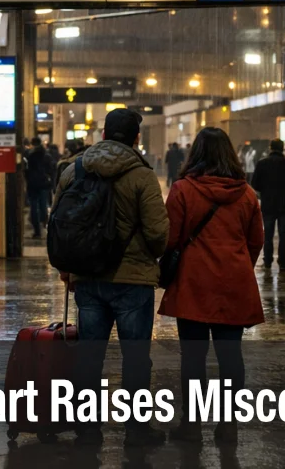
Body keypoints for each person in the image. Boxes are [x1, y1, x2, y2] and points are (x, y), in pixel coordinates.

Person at [56, 108, 169, 447]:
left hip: (88, 277)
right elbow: (158, 233)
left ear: (103, 134)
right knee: (136, 356)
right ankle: (137, 429)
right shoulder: (141, 175)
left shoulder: (74, 170)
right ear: (136, 137)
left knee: (90, 355)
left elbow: (60, 222)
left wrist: (69, 266)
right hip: (132, 281)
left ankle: (87, 428)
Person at [159, 128, 263, 447]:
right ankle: (228, 424)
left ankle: (191, 424)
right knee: (231, 355)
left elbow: (170, 238)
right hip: (233, 282)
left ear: (196, 154)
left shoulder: (183, 190)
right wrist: (237, 261)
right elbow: (256, 241)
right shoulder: (246, 193)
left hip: (193, 282)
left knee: (194, 357)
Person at [249, 139, 285, 271]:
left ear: (270, 148)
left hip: (269, 204)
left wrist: (266, 190)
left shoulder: (262, 164)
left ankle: (267, 260)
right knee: (284, 234)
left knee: (268, 234)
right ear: (282, 148)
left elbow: (255, 184)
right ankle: (283, 262)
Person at [24, 137, 55, 239]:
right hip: (44, 183)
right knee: (43, 204)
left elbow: (26, 169)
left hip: (32, 183)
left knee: (33, 206)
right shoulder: (46, 155)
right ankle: (44, 224)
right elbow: (51, 169)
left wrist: (28, 178)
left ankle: (37, 231)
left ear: (32, 144)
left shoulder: (29, 155)